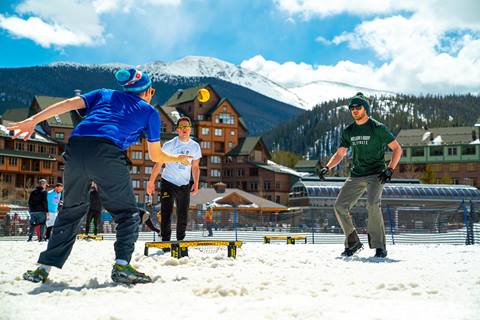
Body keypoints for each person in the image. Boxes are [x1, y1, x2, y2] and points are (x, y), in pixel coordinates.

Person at [9, 67, 191, 284]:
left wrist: (33, 120)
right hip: (107, 153)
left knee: (71, 211)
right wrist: (177, 159)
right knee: (128, 214)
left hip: (75, 149)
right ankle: (122, 266)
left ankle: (42, 269)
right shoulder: (149, 111)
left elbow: (68, 104)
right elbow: (155, 155)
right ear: (149, 91)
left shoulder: (104, 93)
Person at [319, 92, 402, 258]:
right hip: (356, 175)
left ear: (366, 108)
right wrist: (327, 167)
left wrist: (390, 169)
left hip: (376, 174)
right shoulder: (349, 131)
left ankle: (380, 247)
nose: (354, 110)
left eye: (358, 107)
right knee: (339, 206)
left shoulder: (377, 128)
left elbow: (397, 149)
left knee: (372, 204)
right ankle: (353, 242)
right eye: (352, 108)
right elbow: (340, 153)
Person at [146, 116, 201, 242]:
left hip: (184, 185)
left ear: (190, 129)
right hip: (168, 183)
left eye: (186, 127)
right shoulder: (169, 145)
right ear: (177, 130)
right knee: (166, 214)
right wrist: (151, 182)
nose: (184, 129)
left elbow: (196, 167)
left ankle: (180, 242)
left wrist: (196, 183)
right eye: (181, 127)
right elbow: (158, 164)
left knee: (183, 216)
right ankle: (165, 242)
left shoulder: (195, 146)